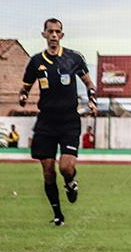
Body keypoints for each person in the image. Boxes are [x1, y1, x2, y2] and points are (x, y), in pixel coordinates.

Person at [18, 18, 97, 225]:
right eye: (50, 32)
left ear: (62, 35)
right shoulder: (36, 62)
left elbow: (89, 83)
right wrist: (23, 97)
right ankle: (58, 215)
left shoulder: (74, 58)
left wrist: (92, 100)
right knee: (47, 169)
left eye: (57, 32)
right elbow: (25, 87)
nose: (54, 35)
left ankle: (70, 182)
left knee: (65, 167)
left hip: (69, 120)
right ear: (44, 34)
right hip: (46, 121)